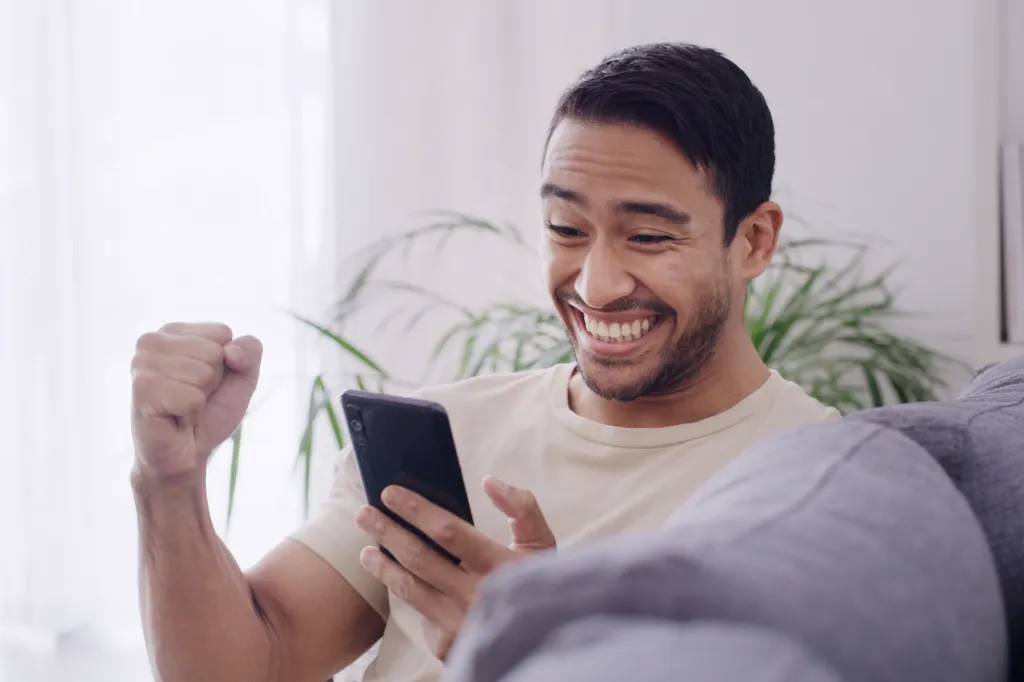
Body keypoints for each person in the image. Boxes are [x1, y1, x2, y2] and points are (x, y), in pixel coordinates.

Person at [129, 42, 840, 682]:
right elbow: (247, 668)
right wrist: (170, 481)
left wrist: (544, 658)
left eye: (648, 236)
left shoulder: (823, 485)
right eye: (566, 229)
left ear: (752, 241)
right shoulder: (454, 426)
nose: (595, 285)